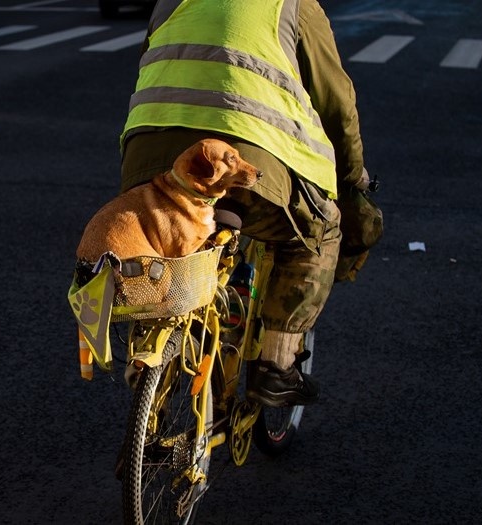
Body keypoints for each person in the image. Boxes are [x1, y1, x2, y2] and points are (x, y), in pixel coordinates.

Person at [119, 0, 371, 407]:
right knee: (316, 233)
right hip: (245, 161)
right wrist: (353, 176)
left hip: (149, 158)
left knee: (162, 246)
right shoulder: (294, 5)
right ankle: (277, 368)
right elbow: (336, 104)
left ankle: (150, 371)